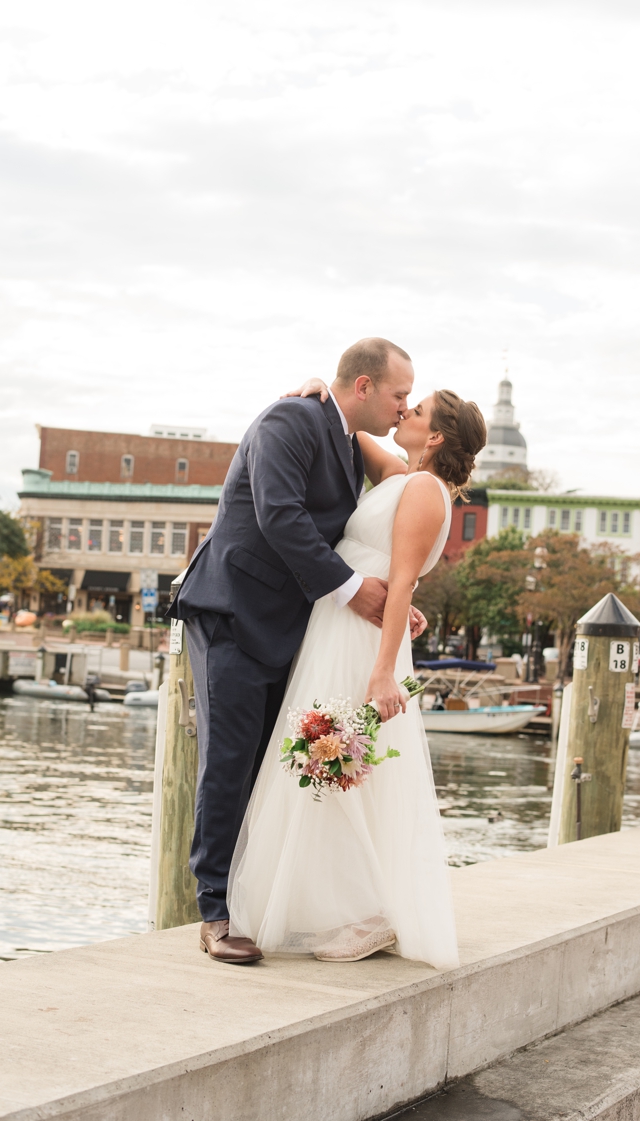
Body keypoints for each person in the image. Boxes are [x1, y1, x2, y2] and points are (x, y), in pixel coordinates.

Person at [172, 338, 430, 964]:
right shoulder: (290, 419)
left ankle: (258, 903)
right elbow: (278, 515)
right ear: (364, 385)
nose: (404, 407)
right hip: (232, 612)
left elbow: (403, 488)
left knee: (269, 766)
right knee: (229, 759)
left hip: (290, 627)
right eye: (399, 394)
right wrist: (353, 593)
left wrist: (395, 596)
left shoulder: (346, 440)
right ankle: (213, 912)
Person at [227, 381, 487, 967]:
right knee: (328, 765)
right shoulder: (405, 477)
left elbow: (400, 585)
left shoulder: (424, 488)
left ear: (437, 435)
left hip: (360, 642)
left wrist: (382, 673)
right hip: (337, 628)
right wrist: (323, 388)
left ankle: (375, 911)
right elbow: (352, 424)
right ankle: (349, 904)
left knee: (342, 766)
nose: (404, 410)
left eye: (415, 410)